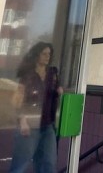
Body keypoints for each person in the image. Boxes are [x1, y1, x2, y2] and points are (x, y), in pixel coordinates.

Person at [9, 42, 63, 173]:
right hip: (30, 125)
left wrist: (59, 91)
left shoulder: (52, 74)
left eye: (49, 54)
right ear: (37, 55)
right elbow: (17, 101)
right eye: (44, 54)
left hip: (48, 126)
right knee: (20, 164)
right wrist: (22, 121)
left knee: (49, 164)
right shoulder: (27, 76)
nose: (47, 56)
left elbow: (56, 94)